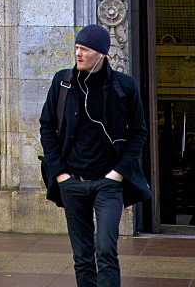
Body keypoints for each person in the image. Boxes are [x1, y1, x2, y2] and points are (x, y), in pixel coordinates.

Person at [39, 25, 152, 287]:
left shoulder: (124, 86)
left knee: (105, 250)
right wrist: (61, 174)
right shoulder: (63, 82)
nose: (78, 54)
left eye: (85, 49)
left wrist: (117, 173)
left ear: (101, 53)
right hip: (72, 182)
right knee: (82, 256)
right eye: (76, 48)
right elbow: (47, 126)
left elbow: (138, 133)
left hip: (109, 184)